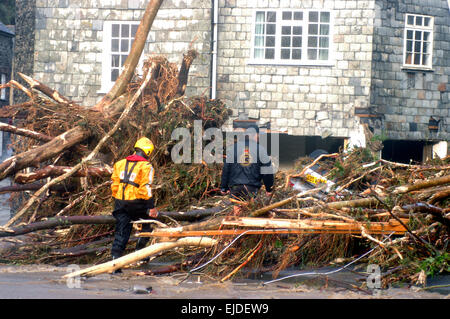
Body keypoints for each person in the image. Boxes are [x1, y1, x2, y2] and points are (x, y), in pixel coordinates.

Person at [110, 137, 158, 270]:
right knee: (148, 222)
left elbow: (114, 185)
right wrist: (151, 207)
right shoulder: (146, 166)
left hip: (120, 202)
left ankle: (115, 262)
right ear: (148, 152)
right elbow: (146, 188)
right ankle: (141, 253)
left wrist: (118, 200)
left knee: (121, 232)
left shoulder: (119, 164)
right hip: (137, 204)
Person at [220, 124, 274, 213]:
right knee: (250, 212)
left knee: (237, 213)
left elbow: (226, 168)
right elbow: (267, 170)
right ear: (255, 135)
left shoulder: (234, 148)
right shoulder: (261, 149)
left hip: (235, 187)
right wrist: (269, 188)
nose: (259, 138)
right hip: (251, 188)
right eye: (258, 135)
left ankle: (236, 225)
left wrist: (223, 187)